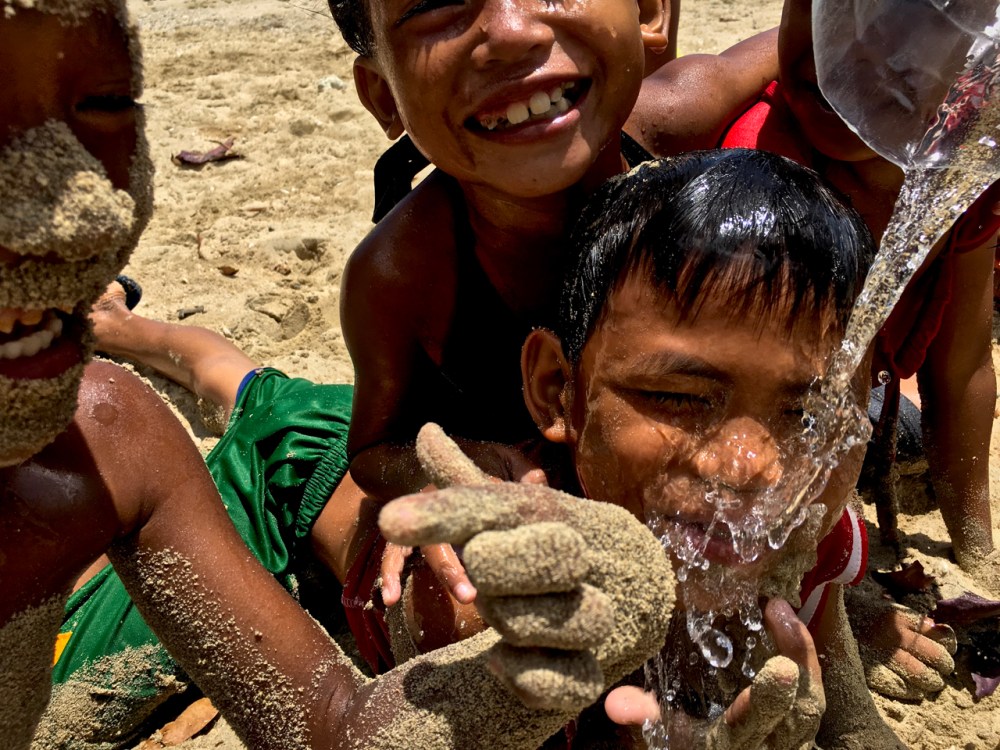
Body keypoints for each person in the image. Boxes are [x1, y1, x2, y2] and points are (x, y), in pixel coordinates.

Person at [0, 2, 678, 748]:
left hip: (344, 435)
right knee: (247, 403)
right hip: (324, 466)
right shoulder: (401, 267)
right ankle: (125, 329)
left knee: (247, 390)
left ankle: (123, 327)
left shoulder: (109, 437)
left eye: (103, 105)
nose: (71, 210)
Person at [383, 149, 921, 749]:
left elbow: (828, 644)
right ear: (558, 390)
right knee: (263, 406)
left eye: (809, 414)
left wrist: (854, 718)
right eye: (682, 399)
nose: (749, 467)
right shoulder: (503, 585)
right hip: (302, 477)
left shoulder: (805, 523)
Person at [718, 0, 999, 594]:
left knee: (908, 437)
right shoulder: (761, 171)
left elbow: (964, 364)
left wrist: (978, 553)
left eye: (916, 28)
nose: (862, 50)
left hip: (851, 398)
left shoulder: (961, 165)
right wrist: (833, 587)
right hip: (758, 418)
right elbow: (747, 428)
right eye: (837, 10)